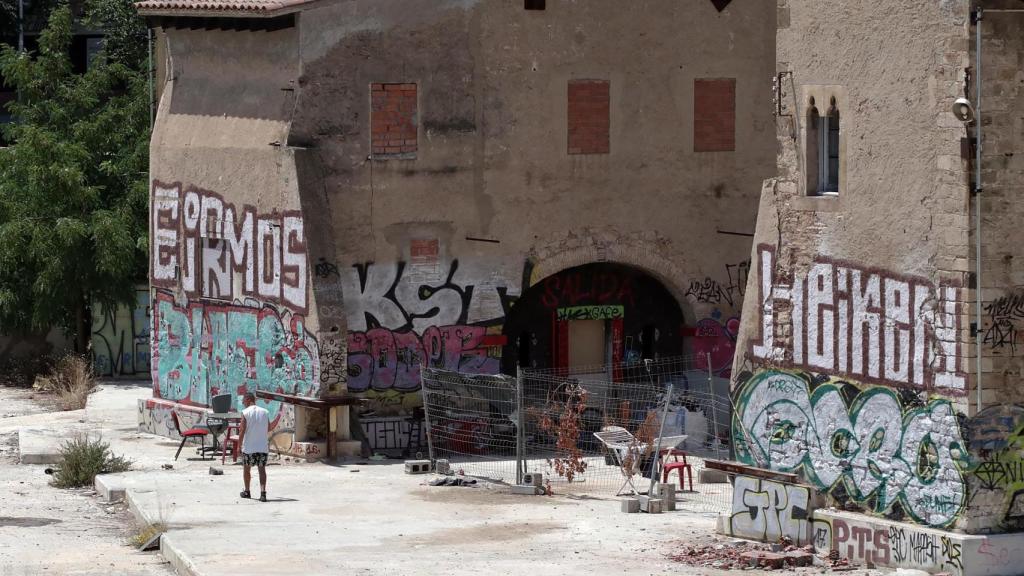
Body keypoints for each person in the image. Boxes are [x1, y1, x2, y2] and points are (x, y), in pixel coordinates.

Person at [238, 392, 270, 502]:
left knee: (247, 469)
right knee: (262, 469)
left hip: (249, 447)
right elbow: (269, 427)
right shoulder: (265, 412)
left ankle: (247, 491)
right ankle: (263, 493)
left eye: (243, 400)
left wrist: (238, 446)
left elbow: (242, 430)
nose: (242, 403)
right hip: (262, 447)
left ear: (248, 400)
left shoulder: (245, 413)